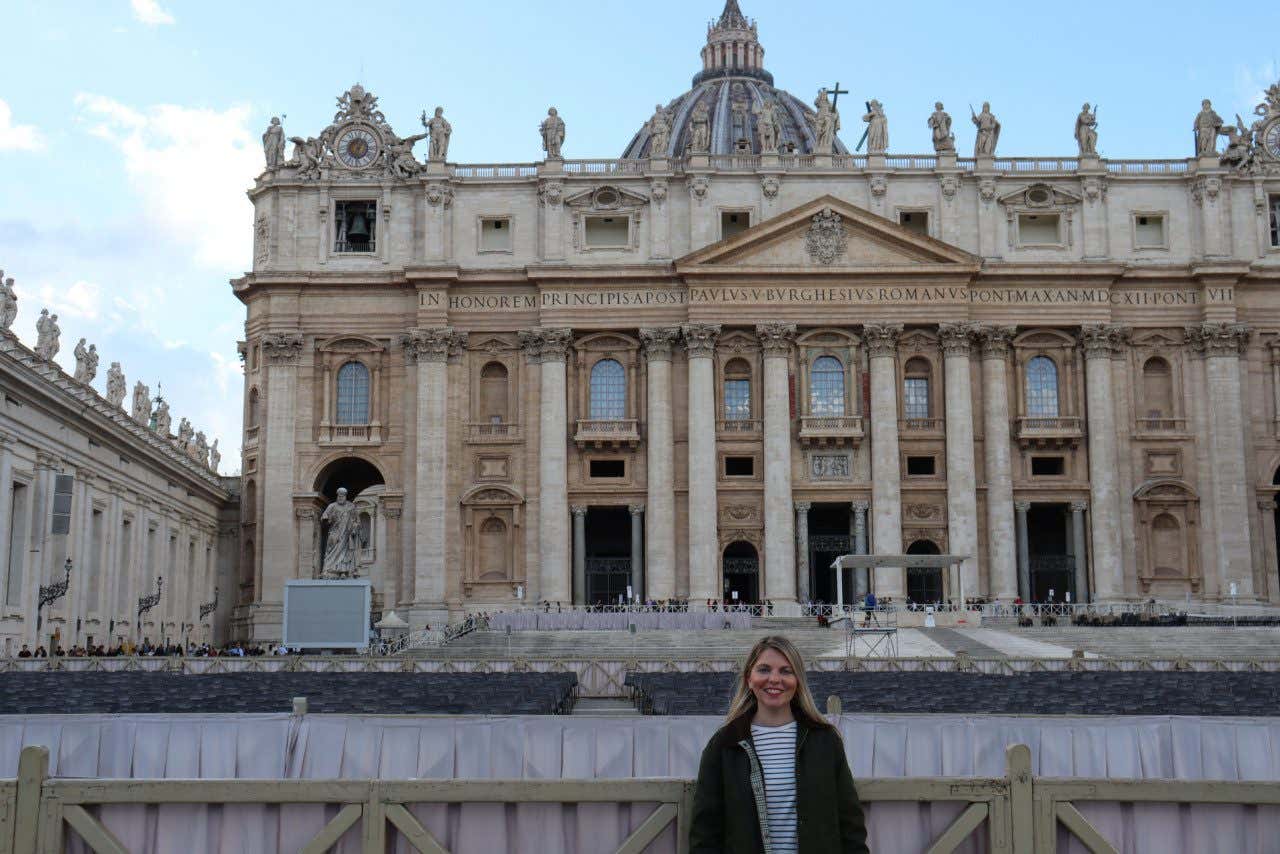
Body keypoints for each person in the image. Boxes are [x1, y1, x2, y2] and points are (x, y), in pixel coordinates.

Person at [689, 636, 867, 853]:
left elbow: (851, 827)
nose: (774, 679)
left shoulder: (826, 741)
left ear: (798, 680)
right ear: (748, 679)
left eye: (786, 671)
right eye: (763, 669)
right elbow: (705, 834)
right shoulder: (724, 744)